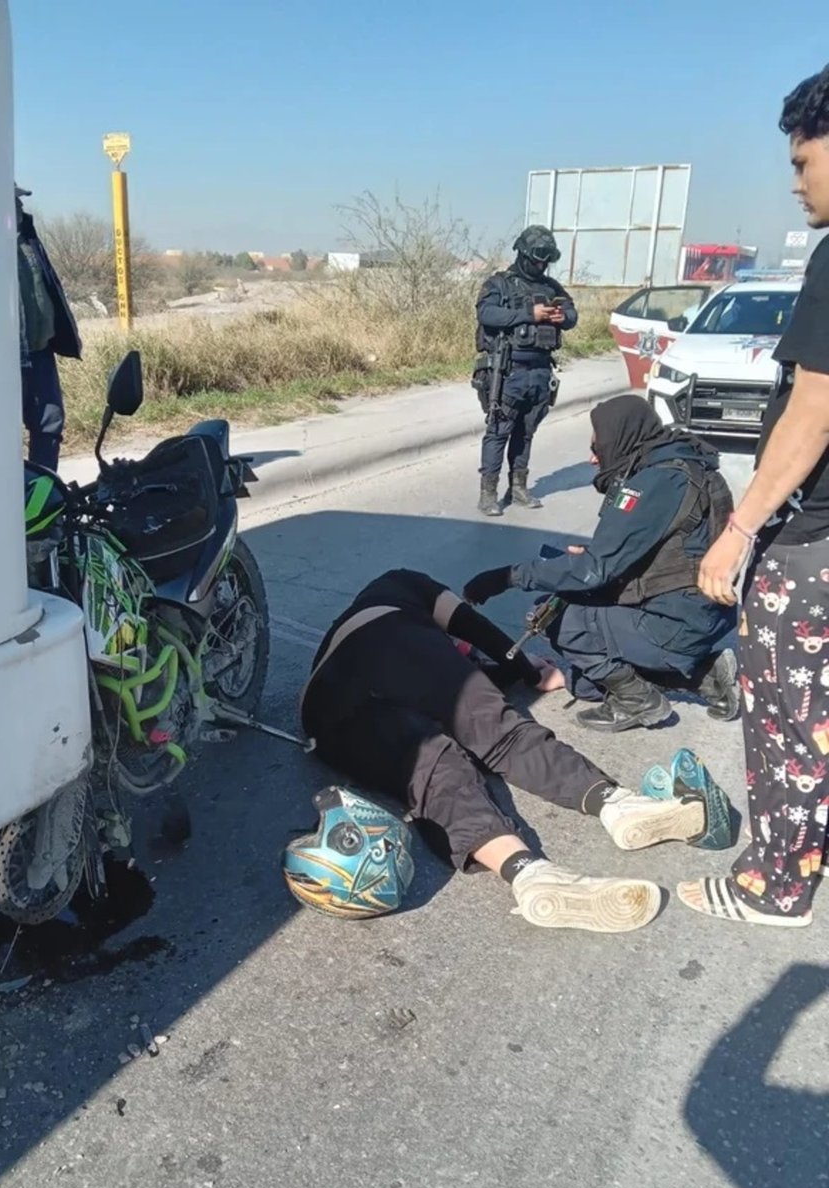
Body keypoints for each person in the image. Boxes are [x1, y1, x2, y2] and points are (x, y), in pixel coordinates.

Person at [299, 568, 715, 933]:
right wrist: (529, 670)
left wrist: (489, 672)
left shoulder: (356, 623)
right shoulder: (403, 583)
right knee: (503, 735)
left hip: (322, 714)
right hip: (390, 639)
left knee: (430, 769)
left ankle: (528, 875)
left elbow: (448, 673)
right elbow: (471, 626)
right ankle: (618, 805)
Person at [679, 64, 829, 927]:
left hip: (813, 543)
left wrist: (739, 529)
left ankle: (778, 881)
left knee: (786, 714)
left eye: (804, 159)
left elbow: (813, 408)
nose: (795, 178)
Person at [464, 395, 739, 732]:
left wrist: (508, 577)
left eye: (598, 446)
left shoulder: (655, 482)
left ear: (622, 437)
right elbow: (659, 550)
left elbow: (593, 572)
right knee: (586, 679)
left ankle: (638, 702)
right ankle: (706, 674)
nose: (593, 458)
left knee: (555, 617)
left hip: (678, 622)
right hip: (701, 613)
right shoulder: (683, 466)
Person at [472, 226, 577, 517]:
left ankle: (518, 487)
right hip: (508, 371)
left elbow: (572, 316)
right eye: (537, 259)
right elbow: (486, 313)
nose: (541, 265)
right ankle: (488, 494)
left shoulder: (551, 287)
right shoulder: (500, 284)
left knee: (526, 433)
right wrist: (530, 314)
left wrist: (559, 315)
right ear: (522, 254)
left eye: (546, 260)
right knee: (498, 431)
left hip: (540, 371)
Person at [15, 185, 82, 471]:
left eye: (18, 200)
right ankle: (11, 501)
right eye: (12, 201)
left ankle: (43, 496)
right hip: (7, 357)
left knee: (49, 423)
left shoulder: (28, 238)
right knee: (1, 433)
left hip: (39, 350)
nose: (19, 207)